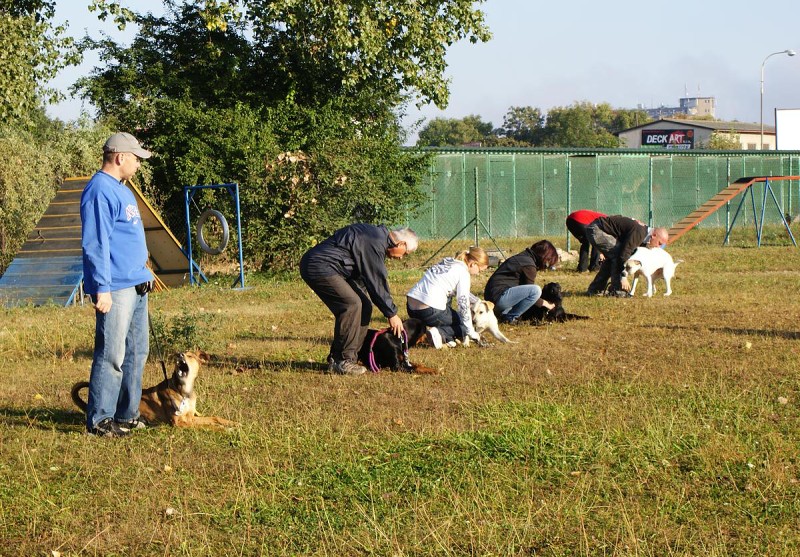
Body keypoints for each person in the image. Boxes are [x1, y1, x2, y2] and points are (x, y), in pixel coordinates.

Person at [80, 132, 154, 438]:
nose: (138, 163)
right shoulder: (99, 190)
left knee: (137, 352)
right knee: (112, 354)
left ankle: (127, 414)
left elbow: (128, 238)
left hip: (136, 283)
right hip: (116, 287)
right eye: (136, 158)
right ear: (119, 157)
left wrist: (144, 272)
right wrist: (102, 288)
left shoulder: (122, 189)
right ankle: (99, 419)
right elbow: (95, 244)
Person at [300, 224, 418, 376]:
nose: (402, 257)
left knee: (365, 306)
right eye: (405, 253)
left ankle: (346, 357)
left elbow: (364, 279)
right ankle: (342, 361)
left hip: (334, 268)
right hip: (319, 266)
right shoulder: (375, 242)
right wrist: (391, 314)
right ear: (401, 243)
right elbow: (376, 282)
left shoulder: (376, 238)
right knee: (351, 305)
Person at [406, 246, 489, 349]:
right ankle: (438, 333)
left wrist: (477, 300)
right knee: (464, 324)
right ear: (473, 264)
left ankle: (447, 338)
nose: (478, 273)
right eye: (480, 270)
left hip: (411, 307)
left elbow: (454, 290)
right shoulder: (463, 273)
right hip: (429, 310)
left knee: (449, 302)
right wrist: (471, 331)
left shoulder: (447, 262)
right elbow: (463, 304)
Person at [585, 215, 669, 297]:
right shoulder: (639, 233)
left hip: (597, 228)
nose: (658, 247)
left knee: (613, 258)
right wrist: (623, 277)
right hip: (597, 229)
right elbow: (623, 254)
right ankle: (617, 290)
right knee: (617, 255)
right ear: (654, 235)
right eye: (659, 243)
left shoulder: (643, 234)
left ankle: (595, 290)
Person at [483, 240, 558, 324]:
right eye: (548, 264)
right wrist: (547, 304)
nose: (545, 267)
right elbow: (533, 296)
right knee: (535, 290)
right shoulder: (529, 265)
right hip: (499, 298)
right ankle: (510, 318)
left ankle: (504, 314)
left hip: (492, 298)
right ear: (545, 258)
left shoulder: (524, 258)